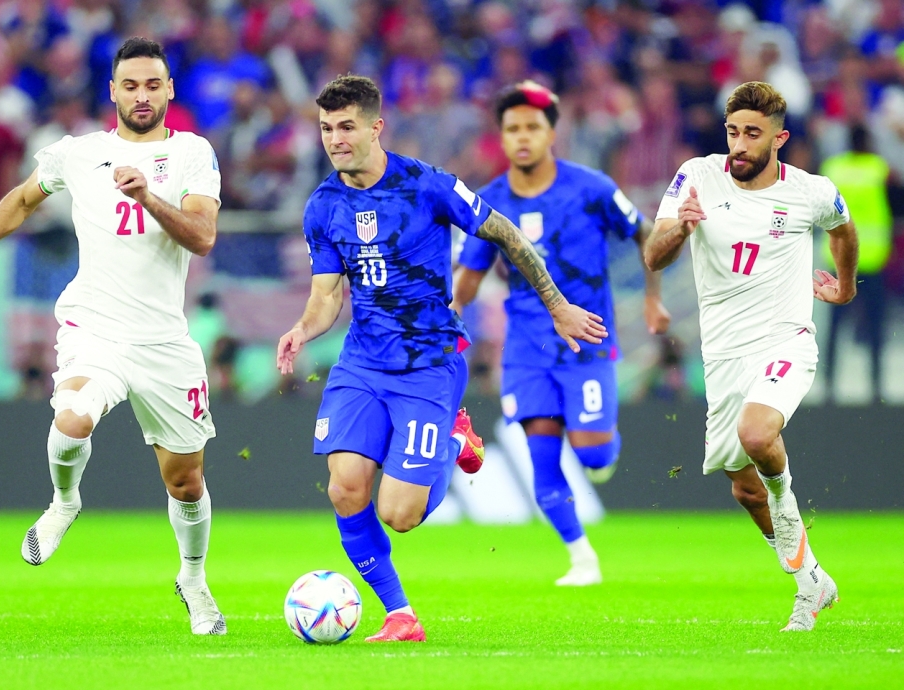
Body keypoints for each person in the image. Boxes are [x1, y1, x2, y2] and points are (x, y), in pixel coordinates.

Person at [277, 75, 607, 642]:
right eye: (326, 128)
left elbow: (505, 234)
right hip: (361, 363)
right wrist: (303, 329)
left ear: (376, 127)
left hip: (429, 363)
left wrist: (556, 305)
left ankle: (455, 439)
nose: (334, 139)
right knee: (344, 486)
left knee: (399, 514)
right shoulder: (322, 206)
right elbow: (327, 295)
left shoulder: (427, 186)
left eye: (346, 127)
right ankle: (400, 615)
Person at [0, 37, 227, 636]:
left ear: (170, 90)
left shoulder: (193, 154)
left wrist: (148, 196)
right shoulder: (77, 153)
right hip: (93, 326)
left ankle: (193, 577)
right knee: (72, 416)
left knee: (186, 479)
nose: (142, 95)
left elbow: (203, 237)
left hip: (162, 341)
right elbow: (23, 200)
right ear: (113, 92)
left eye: (153, 85)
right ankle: (64, 503)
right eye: (130, 85)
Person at [645, 81, 858, 631]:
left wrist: (846, 286)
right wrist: (681, 227)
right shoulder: (697, 175)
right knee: (743, 486)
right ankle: (811, 580)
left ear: (779, 138)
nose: (739, 144)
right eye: (733, 132)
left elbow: (845, 230)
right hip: (724, 354)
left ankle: (785, 500)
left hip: (786, 337)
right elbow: (654, 252)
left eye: (752, 134)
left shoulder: (810, 191)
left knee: (759, 435)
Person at [453, 81, 671, 587]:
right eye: (512, 129)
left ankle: (600, 453)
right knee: (541, 453)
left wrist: (653, 296)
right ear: (502, 138)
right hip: (527, 349)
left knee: (594, 452)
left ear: (552, 132)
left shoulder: (591, 187)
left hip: (589, 342)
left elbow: (647, 234)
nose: (523, 137)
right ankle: (581, 558)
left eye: (533, 126)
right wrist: (450, 312)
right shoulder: (490, 201)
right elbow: (470, 273)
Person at [819, 125, 893, 403]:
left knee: (835, 327)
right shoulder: (878, 168)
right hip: (872, 258)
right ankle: (876, 387)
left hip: (838, 258)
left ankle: (828, 387)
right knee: (875, 326)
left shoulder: (833, 168)